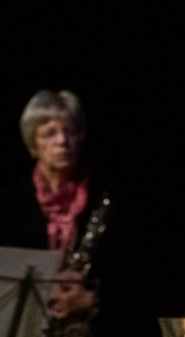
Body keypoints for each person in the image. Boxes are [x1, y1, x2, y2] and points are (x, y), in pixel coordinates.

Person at [0, 90, 112, 337]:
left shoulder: (102, 199)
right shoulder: (8, 203)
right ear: (33, 142)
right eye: (49, 133)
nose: (62, 140)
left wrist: (90, 299)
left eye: (70, 130)